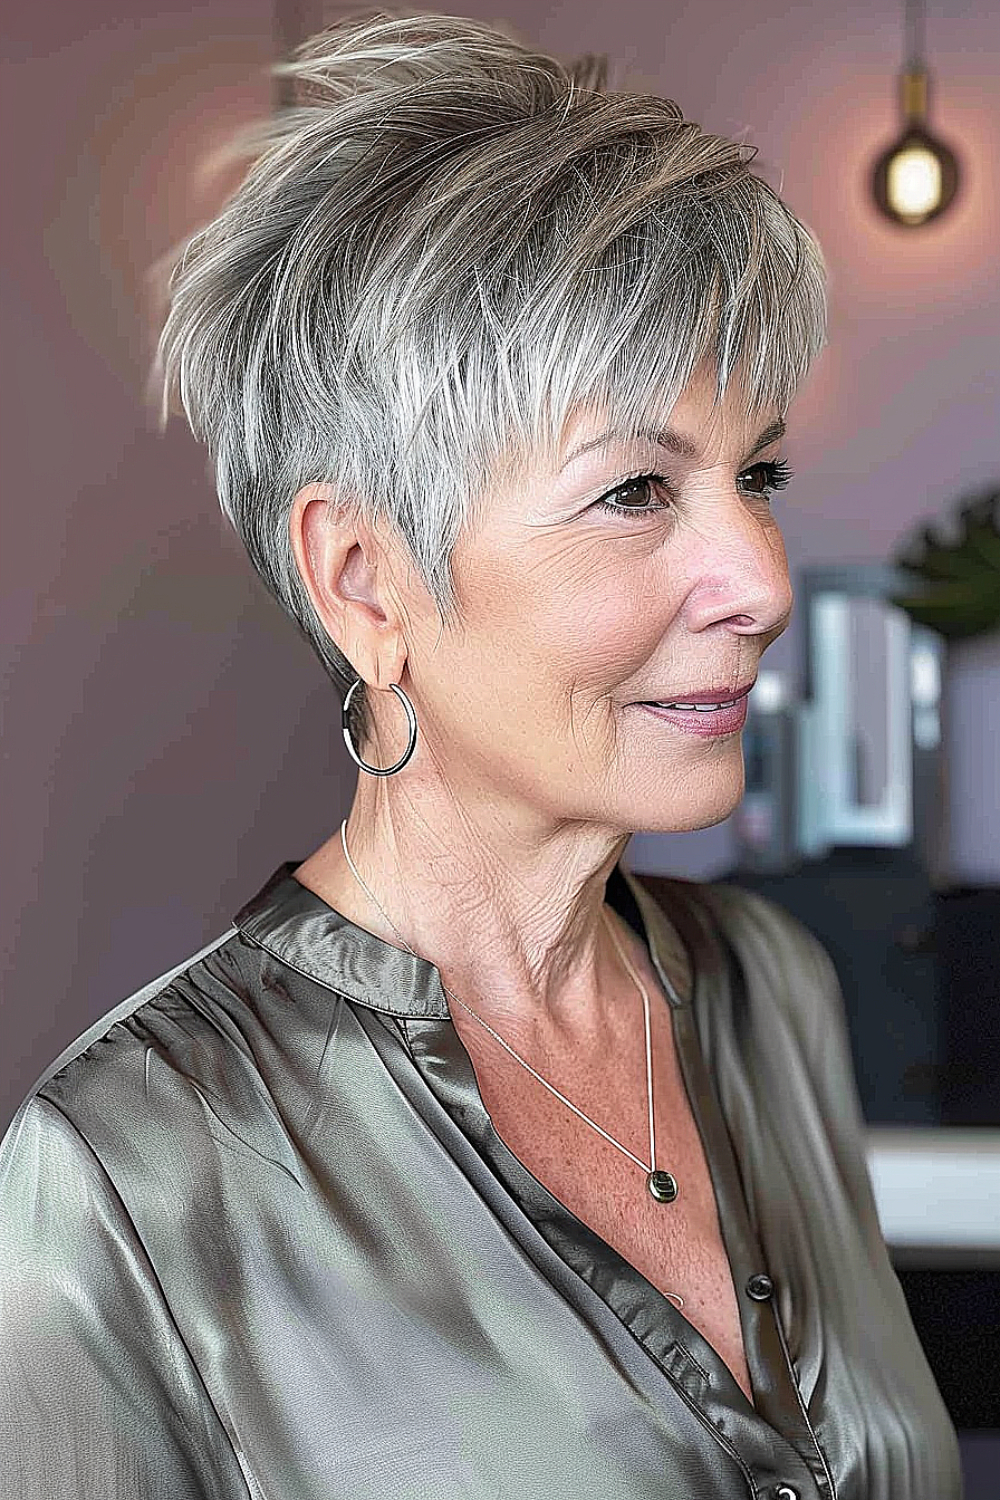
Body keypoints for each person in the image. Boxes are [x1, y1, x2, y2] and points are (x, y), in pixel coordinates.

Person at [0, 10, 961, 1499]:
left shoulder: (776, 994)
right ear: (365, 580)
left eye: (756, 472)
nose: (763, 579)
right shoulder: (128, 1173)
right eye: (638, 488)